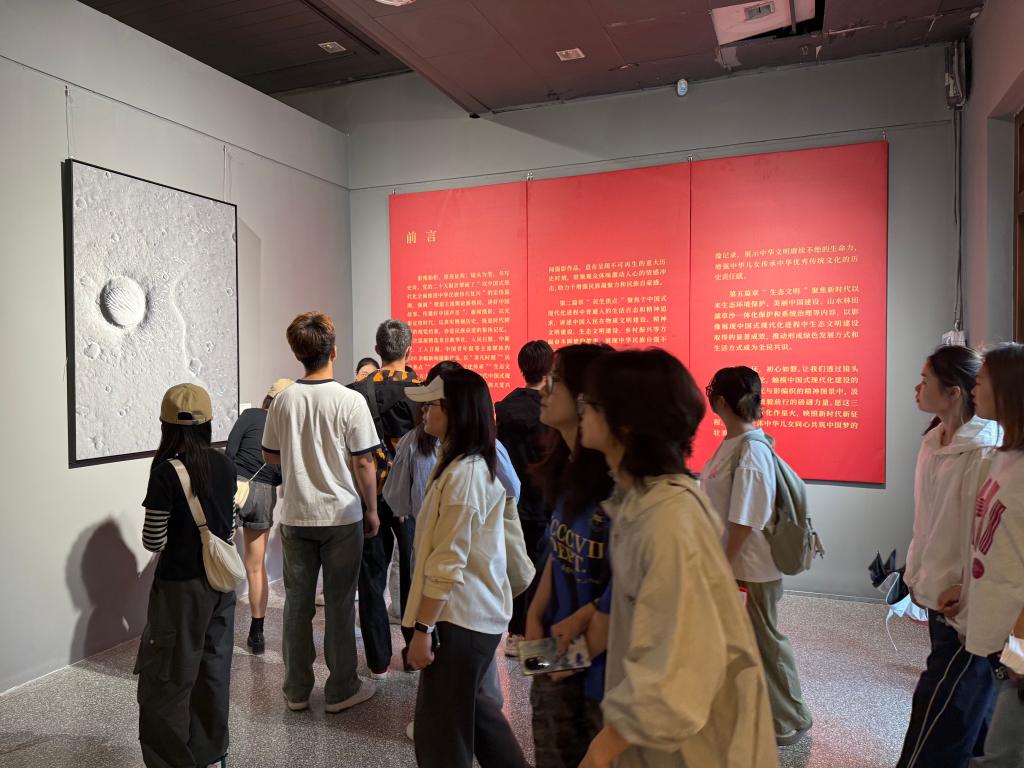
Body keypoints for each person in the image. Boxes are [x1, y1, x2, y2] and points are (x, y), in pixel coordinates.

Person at [577, 349, 776, 768]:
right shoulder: (642, 503)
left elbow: (679, 668)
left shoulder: (668, 520)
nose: (582, 412)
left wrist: (601, 750)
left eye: (590, 404)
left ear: (625, 423)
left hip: (682, 749)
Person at [385, 360, 521, 741]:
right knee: (479, 712)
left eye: (431, 404)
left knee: (451, 723)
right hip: (459, 601)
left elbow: (447, 562)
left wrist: (423, 628)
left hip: (458, 606)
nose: (423, 411)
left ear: (455, 411)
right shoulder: (472, 457)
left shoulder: (461, 471)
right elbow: (513, 490)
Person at [262, 311, 380, 714]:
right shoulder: (350, 400)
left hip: (296, 514)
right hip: (342, 516)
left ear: (298, 353)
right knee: (341, 603)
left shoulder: (283, 400)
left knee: (297, 604)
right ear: (334, 351)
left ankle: (296, 690)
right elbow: (364, 461)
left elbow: (270, 455)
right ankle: (341, 688)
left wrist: (301, 455)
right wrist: (372, 509)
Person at [895, 346, 999, 768]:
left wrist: (968, 589)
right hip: (936, 589)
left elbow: (986, 535)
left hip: (963, 601)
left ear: (954, 391)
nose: (917, 388)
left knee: (944, 704)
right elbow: (929, 521)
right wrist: (918, 572)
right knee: (968, 701)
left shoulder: (984, 451)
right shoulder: (935, 440)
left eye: (926, 380)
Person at [700, 366, 813, 747]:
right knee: (748, 642)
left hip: (750, 569)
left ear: (719, 401)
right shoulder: (734, 443)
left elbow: (745, 521)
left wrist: (721, 567)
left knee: (766, 642)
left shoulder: (751, 450)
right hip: (736, 565)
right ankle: (759, 710)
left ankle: (790, 717)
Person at [136, 384, 238, 768]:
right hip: (221, 584)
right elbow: (228, 529)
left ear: (165, 426)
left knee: (168, 679)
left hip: (180, 589)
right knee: (213, 670)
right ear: (208, 423)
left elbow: (153, 540)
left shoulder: (165, 473)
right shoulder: (225, 464)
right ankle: (210, 753)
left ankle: (170, 761)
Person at [524, 344, 615, 768]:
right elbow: (558, 550)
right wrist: (535, 613)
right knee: (551, 748)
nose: (544, 389)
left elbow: (628, 588)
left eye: (556, 381)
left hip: (601, 668)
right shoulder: (566, 468)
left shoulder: (617, 484)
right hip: (557, 649)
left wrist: (570, 653)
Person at [347, 319, 422, 678]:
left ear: (377, 350)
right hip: (410, 495)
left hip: (370, 494)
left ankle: (377, 660)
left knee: (371, 578)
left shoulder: (355, 392)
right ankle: (415, 651)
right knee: (414, 572)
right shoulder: (421, 391)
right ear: (409, 349)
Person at [963, 343, 1024, 767]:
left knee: (1004, 752)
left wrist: (1020, 639)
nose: (973, 388)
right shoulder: (1004, 456)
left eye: (981, 381)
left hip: (1016, 641)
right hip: (997, 630)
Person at [496, 340, 555, 656]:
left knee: (517, 566)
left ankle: (515, 634)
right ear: (549, 368)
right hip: (546, 501)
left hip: (515, 501)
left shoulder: (505, 407)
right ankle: (536, 637)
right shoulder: (552, 408)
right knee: (544, 569)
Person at [225, 378, 292, 655]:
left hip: (233, 486)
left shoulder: (250, 415)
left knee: (220, 556)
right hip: (263, 492)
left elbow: (230, 452)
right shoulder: (289, 428)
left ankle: (218, 626)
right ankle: (257, 634)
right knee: (255, 566)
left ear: (268, 398)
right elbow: (284, 472)